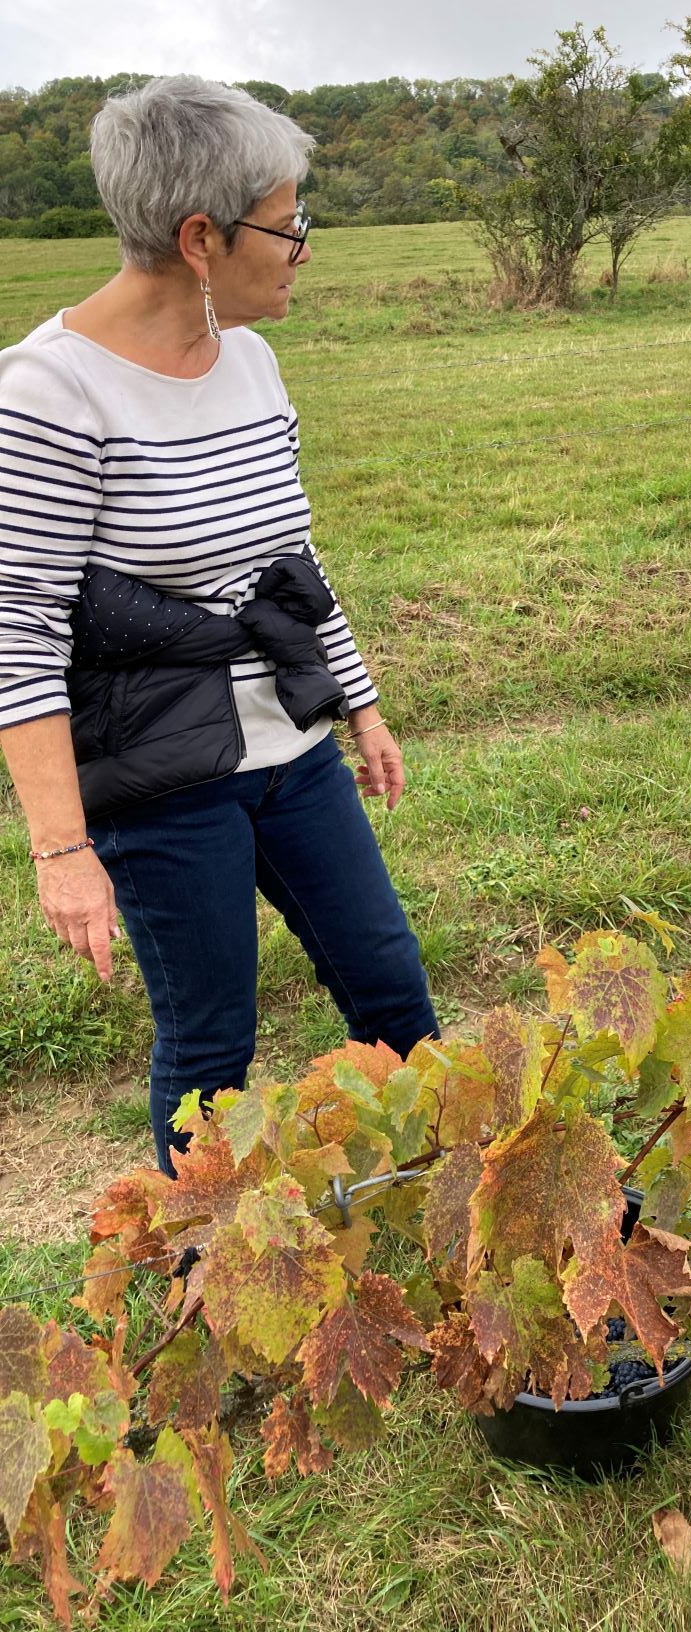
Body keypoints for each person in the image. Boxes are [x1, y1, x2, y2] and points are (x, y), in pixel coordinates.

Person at [0, 77, 438, 1174]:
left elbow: (291, 557)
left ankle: (466, 1222)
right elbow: (20, 626)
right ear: (201, 236)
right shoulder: (50, 394)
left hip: (293, 750)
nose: (301, 249)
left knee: (390, 989)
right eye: (289, 227)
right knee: (211, 1050)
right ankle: (211, 1289)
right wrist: (62, 851)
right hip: (161, 774)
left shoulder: (252, 360)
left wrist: (359, 700)